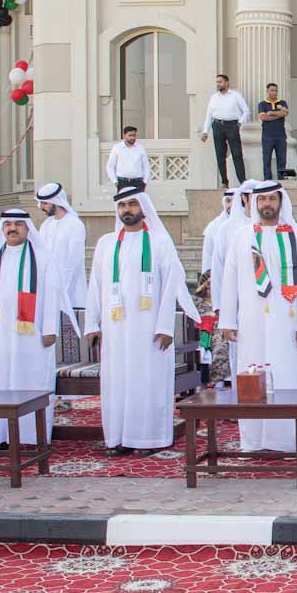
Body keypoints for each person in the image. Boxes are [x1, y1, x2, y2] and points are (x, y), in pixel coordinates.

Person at [83, 187, 186, 455]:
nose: (127, 210)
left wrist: (165, 327)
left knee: (146, 381)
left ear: (142, 208)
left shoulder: (160, 243)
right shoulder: (106, 244)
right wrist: (92, 324)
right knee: (117, 382)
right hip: (115, 329)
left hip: (149, 329)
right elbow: (95, 285)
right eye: (122, 205)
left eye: (131, 204)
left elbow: (171, 285)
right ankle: (116, 438)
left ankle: (147, 439)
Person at [219, 182, 297, 452]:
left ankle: (286, 442)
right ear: (254, 204)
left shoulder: (296, 236)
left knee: (287, 379)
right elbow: (228, 280)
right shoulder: (242, 237)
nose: (266, 204)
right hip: (250, 323)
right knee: (252, 379)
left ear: (280, 201)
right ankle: (253, 441)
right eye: (261, 199)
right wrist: (227, 320)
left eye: (271, 199)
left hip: (288, 323)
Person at [0, 209, 61, 451]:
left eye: (18, 223)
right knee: (0, 383)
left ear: (28, 227)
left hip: (33, 336)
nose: (13, 228)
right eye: (7, 224)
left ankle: (31, 437)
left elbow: (52, 296)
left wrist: (50, 328)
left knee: (31, 382)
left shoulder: (43, 257)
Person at [35, 183, 89, 338]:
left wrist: (63, 292)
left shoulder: (75, 225)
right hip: (49, 289)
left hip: (72, 292)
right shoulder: (46, 225)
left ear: (56, 201)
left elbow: (74, 261)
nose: (41, 207)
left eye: (45, 203)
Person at [200, 73, 252, 188]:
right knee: (220, 154)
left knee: (237, 154)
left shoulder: (235, 95)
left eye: (220, 82)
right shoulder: (214, 97)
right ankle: (224, 181)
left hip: (232, 125)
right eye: (217, 82)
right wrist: (205, 131)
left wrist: (239, 123)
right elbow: (209, 115)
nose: (218, 84)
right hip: (218, 125)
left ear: (227, 83)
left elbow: (246, 111)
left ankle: (243, 180)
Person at [199, 188, 237, 299]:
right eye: (228, 201)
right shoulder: (214, 227)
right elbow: (207, 256)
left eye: (234, 201)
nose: (230, 205)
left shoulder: (248, 224)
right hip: (220, 277)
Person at [258, 83, 291, 181]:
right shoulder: (262, 104)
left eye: (276, 90)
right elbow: (263, 117)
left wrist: (271, 113)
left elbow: (285, 113)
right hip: (267, 136)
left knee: (282, 159)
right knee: (266, 159)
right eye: (272, 90)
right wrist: (279, 115)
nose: (274, 92)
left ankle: (282, 179)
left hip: (281, 135)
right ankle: (268, 180)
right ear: (267, 91)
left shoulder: (282, 102)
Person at [105, 125, 150, 193]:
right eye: (130, 135)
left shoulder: (140, 148)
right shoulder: (117, 148)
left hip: (138, 182)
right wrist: (115, 182)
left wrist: (144, 182)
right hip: (122, 182)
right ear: (124, 135)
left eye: (134, 135)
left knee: (137, 203)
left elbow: (146, 167)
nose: (133, 137)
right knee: (123, 202)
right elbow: (110, 166)